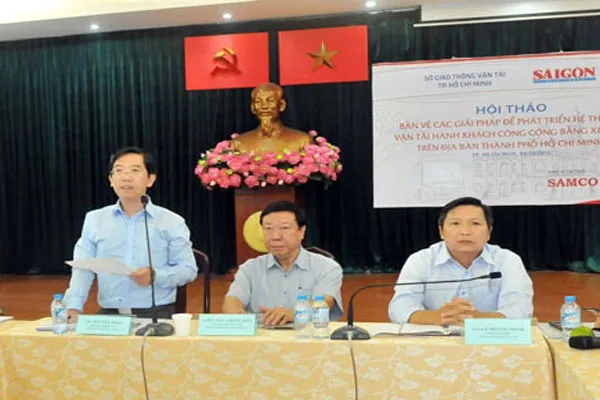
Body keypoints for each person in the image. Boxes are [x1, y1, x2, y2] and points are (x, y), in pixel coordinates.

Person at [63, 147, 197, 321]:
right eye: (119, 171)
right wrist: (73, 307)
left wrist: (155, 276)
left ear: (150, 179)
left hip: (155, 313)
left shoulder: (171, 221)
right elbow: (83, 267)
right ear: (111, 180)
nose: (126, 177)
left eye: (135, 170)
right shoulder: (95, 219)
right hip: (109, 314)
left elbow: (188, 270)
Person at [388, 196, 533, 325]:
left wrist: (478, 319)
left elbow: (520, 309)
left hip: (490, 339)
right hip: (435, 339)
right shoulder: (420, 260)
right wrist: (438, 317)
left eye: (475, 223)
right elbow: (399, 307)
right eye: (455, 223)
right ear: (441, 232)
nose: (465, 232)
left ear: (489, 232)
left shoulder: (507, 261)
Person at [222, 200, 343, 326]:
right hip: (262, 335)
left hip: (308, 334)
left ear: (301, 231)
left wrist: (291, 314)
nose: (275, 236)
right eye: (268, 229)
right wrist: (236, 315)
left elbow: (324, 303)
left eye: (284, 228)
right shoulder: (249, 268)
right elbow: (232, 300)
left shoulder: (327, 267)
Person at [231, 83, 311, 155]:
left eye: (270, 101)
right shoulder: (238, 143)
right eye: (258, 102)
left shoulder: (302, 141)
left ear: (281, 105)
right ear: (252, 107)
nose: (264, 106)